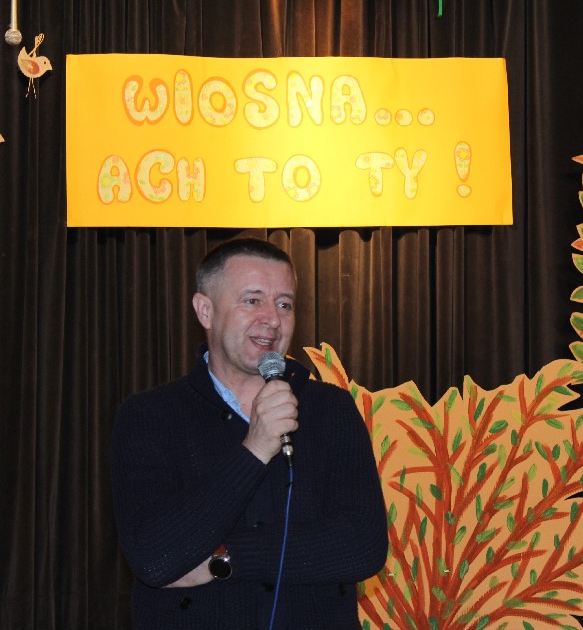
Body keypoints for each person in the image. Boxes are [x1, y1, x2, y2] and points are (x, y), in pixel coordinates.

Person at [111, 237, 389, 629]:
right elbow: (156, 559)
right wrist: (254, 449)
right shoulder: (149, 417)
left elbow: (361, 548)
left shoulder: (331, 409)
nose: (272, 319)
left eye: (284, 304)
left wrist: (225, 560)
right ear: (205, 310)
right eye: (252, 300)